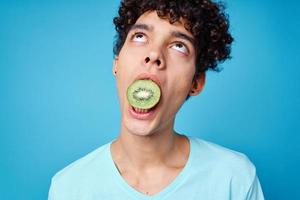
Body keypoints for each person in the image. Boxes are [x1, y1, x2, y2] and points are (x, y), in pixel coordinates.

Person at [48, 0, 265, 199]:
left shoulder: (234, 179)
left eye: (179, 45)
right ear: (116, 63)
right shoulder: (68, 188)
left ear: (195, 83)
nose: (154, 54)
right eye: (140, 36)